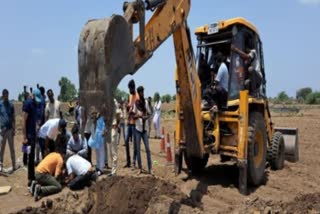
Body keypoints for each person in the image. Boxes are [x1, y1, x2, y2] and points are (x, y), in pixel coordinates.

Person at [133, 86, 152, 174]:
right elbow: (133, 116)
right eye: (140, 92)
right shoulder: (136, 103)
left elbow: (149, 114)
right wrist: (139, 116)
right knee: (138, 149)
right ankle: (140, 168)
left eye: (143, 92)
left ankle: (150, 169)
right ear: (138, 93)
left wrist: (145, 117)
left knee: (148, 149)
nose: (142, 93)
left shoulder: (146, 103)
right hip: (137, 129)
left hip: (144, 130)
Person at [22, 91, 39, 186]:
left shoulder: (35, 104)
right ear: (33, 96)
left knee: (32, 157)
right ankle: (30, 178)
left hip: (33, 134)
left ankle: (32, 176)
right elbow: (24, 120)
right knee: (30, 157)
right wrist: (24, 137)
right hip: (28, 136)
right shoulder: (28, 103)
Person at [124, 80, 139, 168]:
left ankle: (134, 162)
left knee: (135, 144)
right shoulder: (129, 96)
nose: (129, 90)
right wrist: (127, 107)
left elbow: (138, 110)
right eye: (129, 88)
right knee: (126, 140)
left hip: (135, 124)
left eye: (130, 88)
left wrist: (132, 111)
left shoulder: (137, 97)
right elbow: (128, 108)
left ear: (133, 87)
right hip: (129, 123)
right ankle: (128, 161)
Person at [0, 89, 16, 172]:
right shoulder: (0, 104)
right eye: (5, 95)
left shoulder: (11, 105)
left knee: (11, 148)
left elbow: (13, 118)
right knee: (1, 148)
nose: (6, 97)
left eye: (7, 95)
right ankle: (0, 166)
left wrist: (14, 129)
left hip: (10, 130)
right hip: (2, 130)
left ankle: (14, 165)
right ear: (3, 95)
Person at [88, 106, 106, 175]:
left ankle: (101, 168)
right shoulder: (96, 119)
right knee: (97, 152)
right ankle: (98, 167)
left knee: (101, 152)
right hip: (96, 136)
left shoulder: (102, 118)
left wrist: (104, 131)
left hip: (100, 136)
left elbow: (104, 126)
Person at [107, 99, 121, 176]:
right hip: (109, 128)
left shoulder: (114, 101)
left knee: (113, 151)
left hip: (113, 128)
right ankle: (113, 170)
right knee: (110, 151)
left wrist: (117, 124)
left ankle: (114, 172)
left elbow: (119, 114)